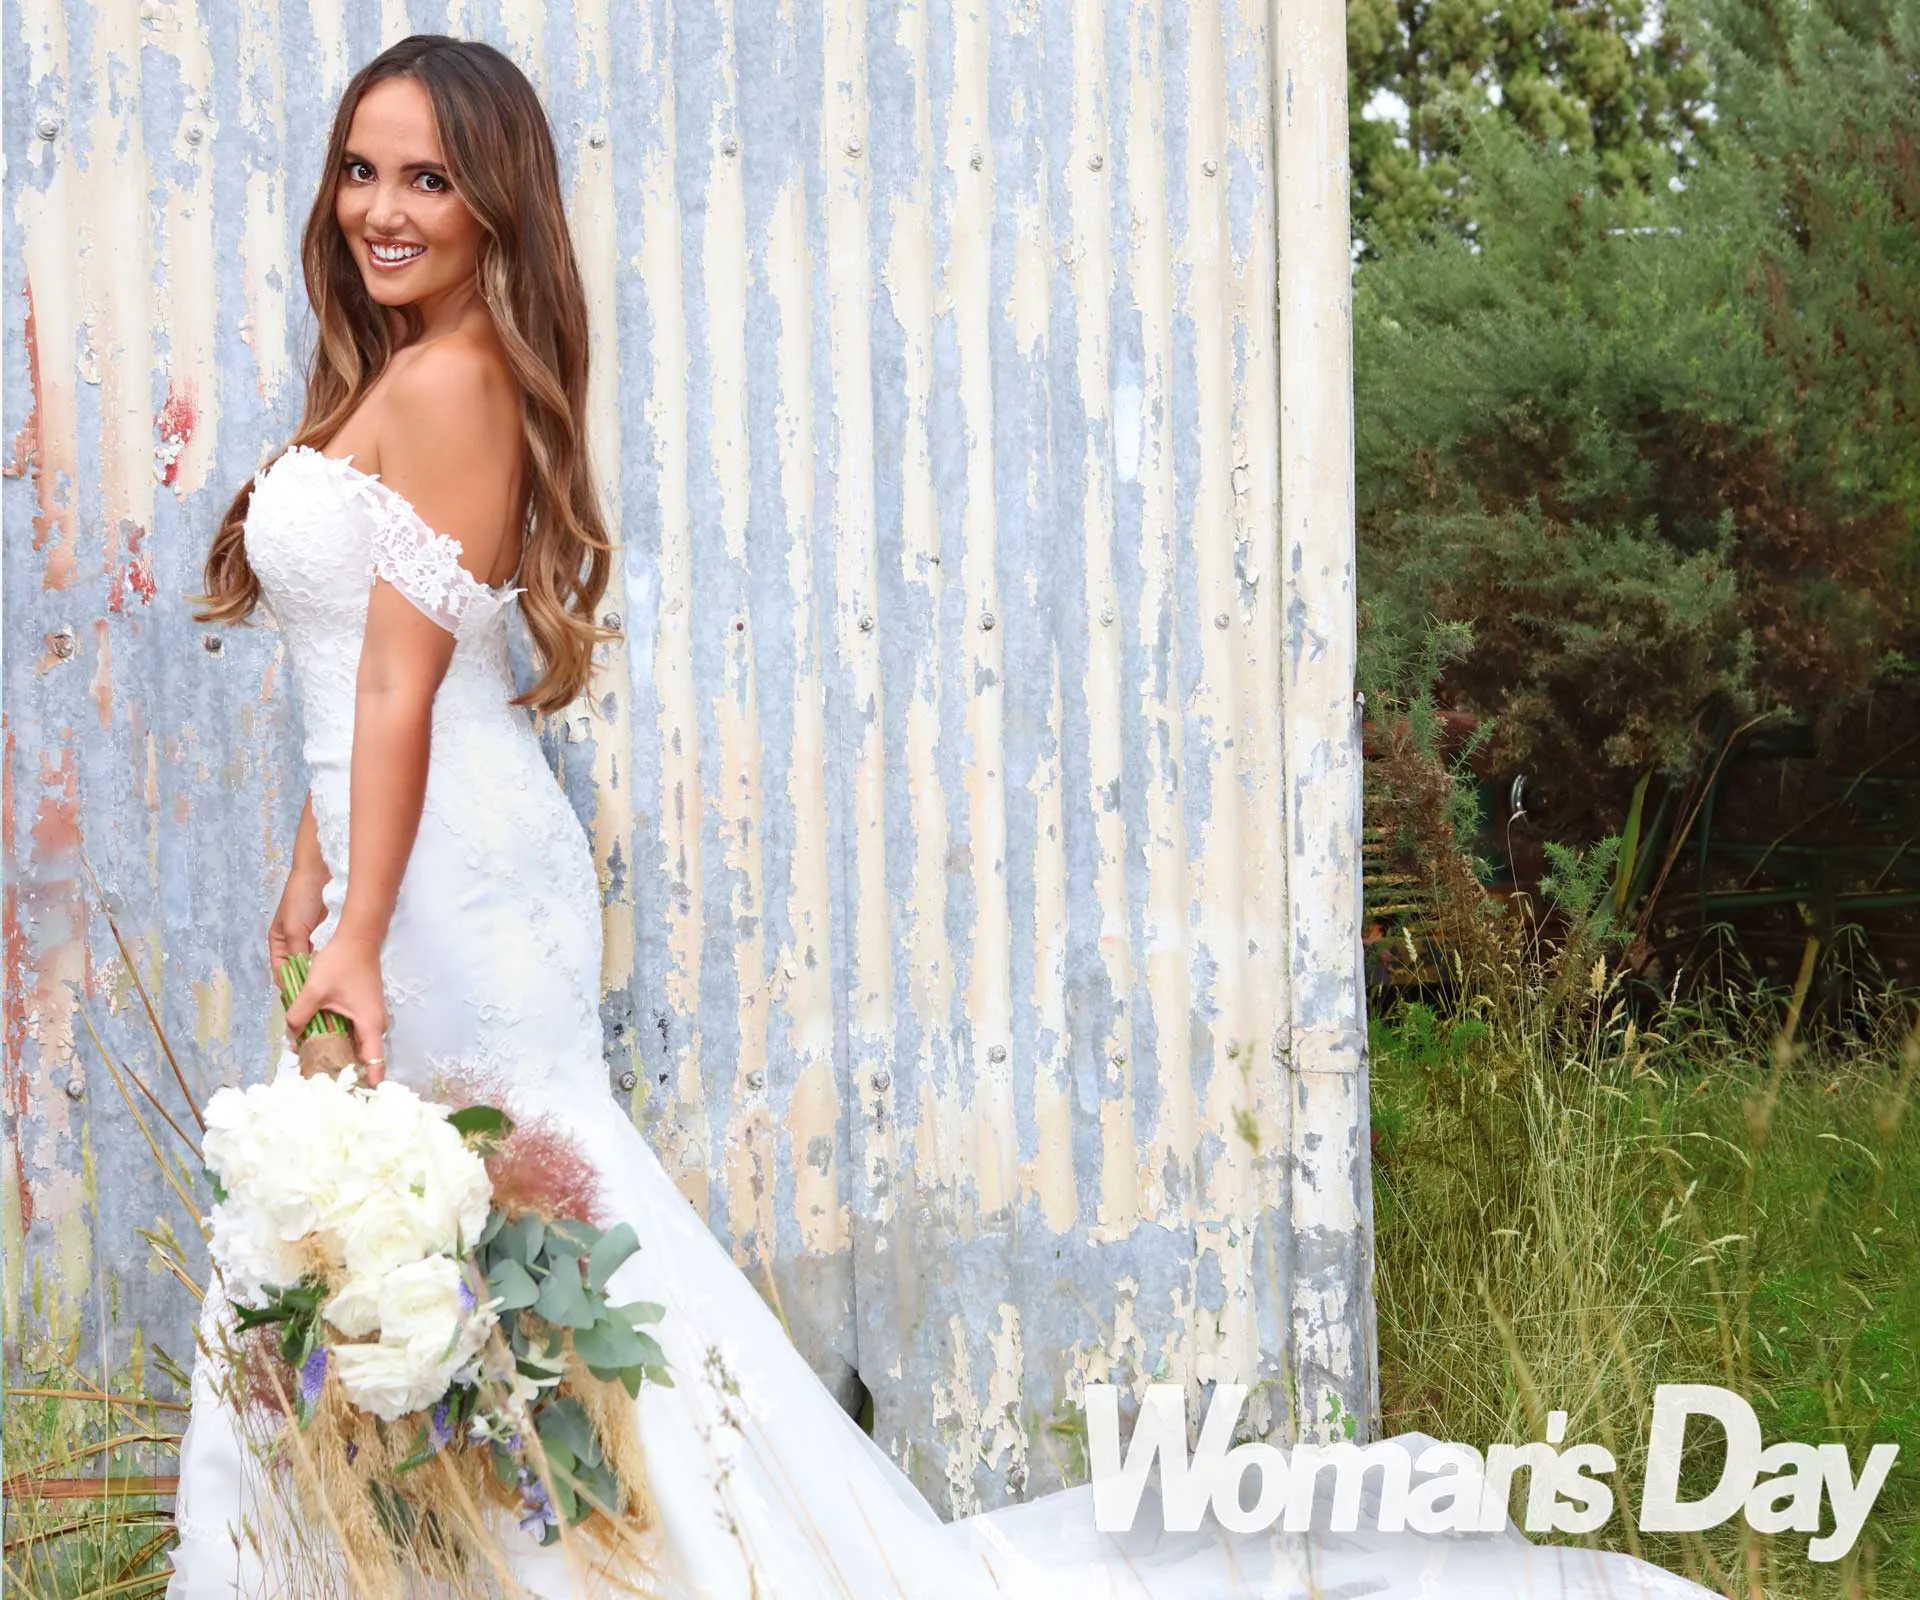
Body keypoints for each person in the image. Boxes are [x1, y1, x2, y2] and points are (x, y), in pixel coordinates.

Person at [168, 33, 1711, 1600]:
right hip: (399, 862)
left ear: (495, 202)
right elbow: (350, 670)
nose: (382, 208)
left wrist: (358, 923)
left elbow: (403, 687)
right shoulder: (388, 376)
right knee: (402, 1237)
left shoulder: (455, 380)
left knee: (485, 1232)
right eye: (361, 171)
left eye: (427, 178)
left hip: (450, 891)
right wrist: (313, 876)